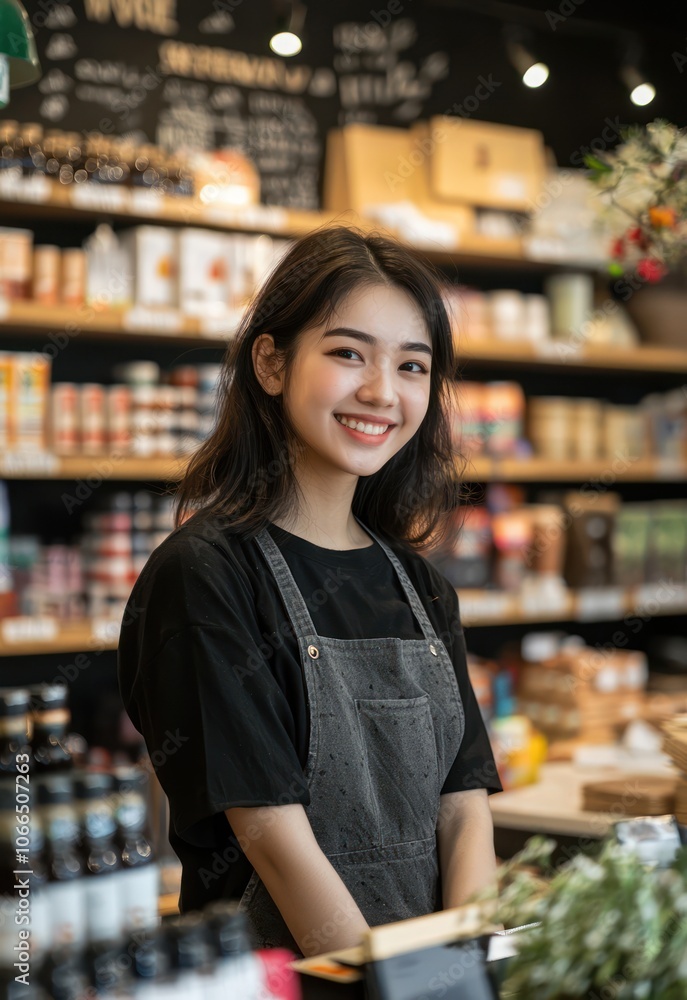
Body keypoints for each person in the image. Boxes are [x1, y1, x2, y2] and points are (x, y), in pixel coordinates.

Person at [117, 226, 502, 957]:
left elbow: (464, 813)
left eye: (411, 366)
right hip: (287, 976)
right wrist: (384, 987)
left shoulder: (419, 586)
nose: (380, 392)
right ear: (270, 361)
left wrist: (464, 965)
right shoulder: (206, 575)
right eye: (347, 353)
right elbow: (271, 839)